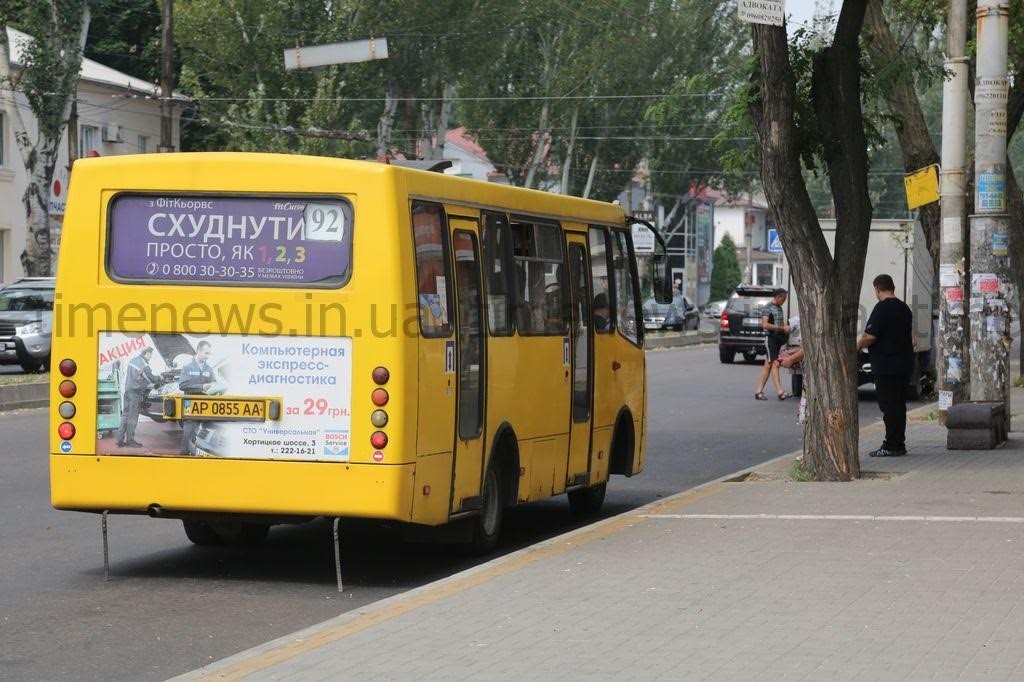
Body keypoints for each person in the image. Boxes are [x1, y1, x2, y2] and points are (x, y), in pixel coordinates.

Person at [858, 274, 915, 457]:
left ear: (877, 289)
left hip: (886, 366)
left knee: (888, 406)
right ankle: (898, 443)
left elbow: (870, 336)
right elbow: (913, 340)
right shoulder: (904, 308)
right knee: (898, 406)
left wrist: (856, 345)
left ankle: (891, 445)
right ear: (893, 287)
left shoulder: (882, 308)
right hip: (904, 365)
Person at [116, 347, 159, 448]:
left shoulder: (132, 360)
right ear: (147, 353)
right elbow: (150, 378)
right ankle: (130, 440)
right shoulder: (144, 364)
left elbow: (136, 376)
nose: (151, 357)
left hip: (127, 391)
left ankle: (119, 439)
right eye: (151, 354)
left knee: (125, 415)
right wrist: (159, 378)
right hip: (135, 393)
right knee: (133, 417)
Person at [754, 288, 792, 400]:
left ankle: (758, 391)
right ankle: (780, 392)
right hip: (770, 339)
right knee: (775, 363)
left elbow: (779, 323)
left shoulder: (779, 307)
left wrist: (785, 330)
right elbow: (765, 325)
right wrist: (781, 328)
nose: (784, 301)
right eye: (784, 298)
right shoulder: (767, 308)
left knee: (768, 365)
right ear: (778, 296)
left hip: (777, 339)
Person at [179, 340, 215, 455]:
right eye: (206, 353)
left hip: (204, 407)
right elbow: (183, 385)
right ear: (198, 351)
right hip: (189, 406)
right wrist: (201, 387)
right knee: (188, 434)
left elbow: (213, 383)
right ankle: (183, 459)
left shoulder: (209, 369)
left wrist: (216, 387)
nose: (208, 356)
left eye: (209, 353)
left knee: (203, 437)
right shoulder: (187, 367)